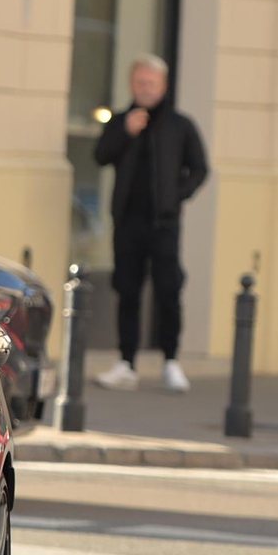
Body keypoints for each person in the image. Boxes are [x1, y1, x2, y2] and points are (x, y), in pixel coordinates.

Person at [91, 53, 207, 392]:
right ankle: (126, 362)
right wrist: (124, 132)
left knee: (168, 290)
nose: (145, 89)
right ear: (132, 84)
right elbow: (101, 155)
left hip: (164, 224)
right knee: (127, 290)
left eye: (151, 83)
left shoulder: (179, 125)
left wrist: (176, 196)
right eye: (140, 82)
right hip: (128, 222)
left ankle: (171, 361)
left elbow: (200, 168)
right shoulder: (121, 120)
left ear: (163, 86)